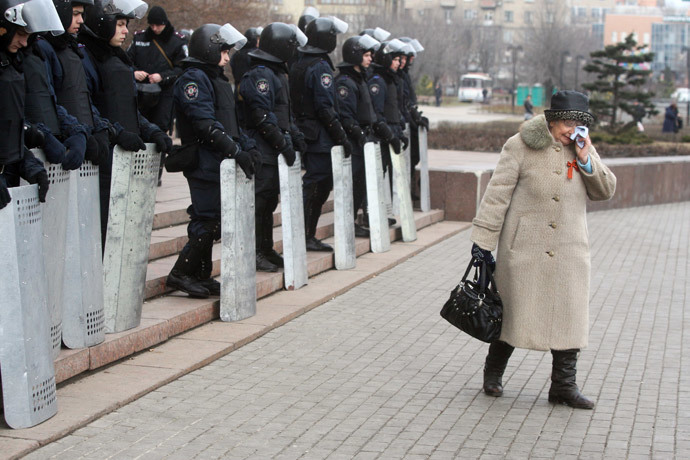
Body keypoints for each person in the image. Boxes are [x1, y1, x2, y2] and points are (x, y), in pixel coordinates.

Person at [470, 90, 616, 409]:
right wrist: (482, 243)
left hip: (569, 249)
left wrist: (587, 156)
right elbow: (497, 196)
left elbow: (605, 191)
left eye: (578, 125)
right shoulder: (520, 145)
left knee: (569, 317)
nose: (571, 131)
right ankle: (493, 374)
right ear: (553, 120)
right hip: (524, 249)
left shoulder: (580, 149)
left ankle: (563, 386)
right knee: (512, 314)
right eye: (567, 123)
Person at [165, 23, 261, 298]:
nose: (228, 57)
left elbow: (230, 123)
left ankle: (200, 273)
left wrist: (246, 146)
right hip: (204, 161)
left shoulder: (216, 78)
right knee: (208, 219)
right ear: (209, 48)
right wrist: (236, 151)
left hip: (219, 159)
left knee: (213, 218)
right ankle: (181, 273)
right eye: (223, 51)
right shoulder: (193, 78)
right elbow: (204, 124)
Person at [79, 0, 173, 244]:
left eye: (126, 25)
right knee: (102, 232)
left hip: (123, 159)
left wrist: (151, 131)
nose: (125, 31)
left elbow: (128, 108)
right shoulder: (87, 58)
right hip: (103, 159)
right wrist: (116, 133)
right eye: (120, 24)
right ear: (103, 24)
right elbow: (88, 109)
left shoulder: (117, 59)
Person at [239, 22, 307, 272]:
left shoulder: (276, 73)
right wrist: (282, 143)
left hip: (274, 151)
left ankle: (265, 248)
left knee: (269, 203)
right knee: (258, 203)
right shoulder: (260, 75)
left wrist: (295, 136)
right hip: (263, 149)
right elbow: (262, 116)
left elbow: (283, 115)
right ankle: (254, 251)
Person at [290, 16, 351, 252]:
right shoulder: (320, 66)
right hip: (318, 136)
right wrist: (341, 137)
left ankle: (306, 234)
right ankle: (305, 235)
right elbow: (325, 108)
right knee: (317, 186)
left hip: (308, 131)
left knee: (316, 186)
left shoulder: (301, 62)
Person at [0, 0, 63, 209]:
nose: (24, 43)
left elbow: (10, 129)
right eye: (20, 34)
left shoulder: (11, 64)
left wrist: (30, 166)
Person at [334, 34, 380, 238]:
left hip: (363, 140)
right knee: (352, 185)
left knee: (360, 186)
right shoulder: (345, 82)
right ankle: (346, 223)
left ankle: (352, 221)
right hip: (354, 142)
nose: (370, 59)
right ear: (355, 56)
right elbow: (346, 116)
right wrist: (359, 135)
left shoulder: (359, 79)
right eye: (367, 55)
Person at [368, 38, 407, 225]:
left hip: (390, 132)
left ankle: (381, 212)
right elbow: (377, 113)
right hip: (380, 137)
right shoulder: (378, 81)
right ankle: (371, 214)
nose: (398, 63)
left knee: (384, 175)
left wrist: (399, 133)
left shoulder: (392, 80)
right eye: (395, 59)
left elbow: (395, 110)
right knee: (377, 175)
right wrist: (389, 135)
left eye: (399, 60)